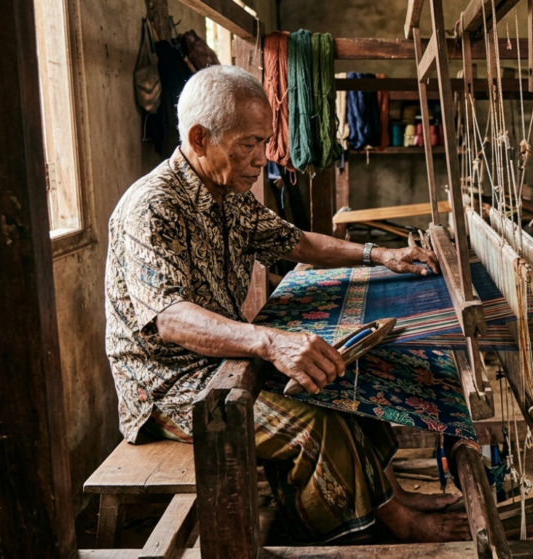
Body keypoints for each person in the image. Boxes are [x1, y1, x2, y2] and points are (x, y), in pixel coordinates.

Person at [105, 65, 469, 543]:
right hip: (168, 385)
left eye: (264, 142)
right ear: (199, 138)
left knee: (340, 380)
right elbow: (170, 319)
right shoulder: (154, 206)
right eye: (249, 143)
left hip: (221, 358)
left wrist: (381, 254)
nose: (261, 158)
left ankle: (391, 500)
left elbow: (295, 242)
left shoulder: (226, 192)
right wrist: (269, 342)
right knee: (316, 426)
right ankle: (366, 531)